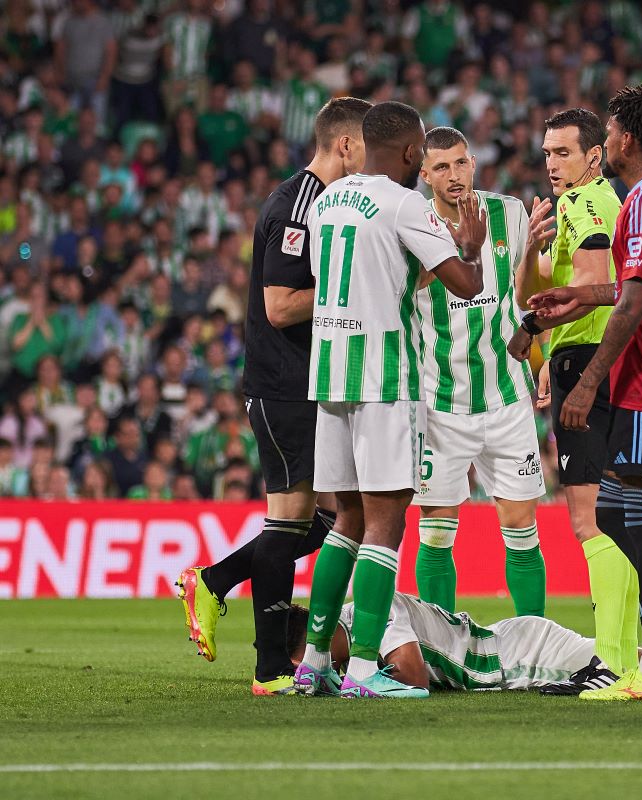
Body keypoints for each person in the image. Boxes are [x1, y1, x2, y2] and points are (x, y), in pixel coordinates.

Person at [175, 97, 373, 696]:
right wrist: (348, 292)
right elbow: (280, 305)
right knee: (293, 523)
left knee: (331, 519)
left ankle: (213, 581)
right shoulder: (299, 205)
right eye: (366, 148)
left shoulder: (322, 203)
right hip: (284, 384)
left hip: (304, 383)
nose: (371, 161)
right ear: (343, 145)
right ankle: (270, 670)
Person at [293, 101, 485, 701]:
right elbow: (467, 285)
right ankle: (365, 670)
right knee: (383, 524)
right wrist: (471, 244)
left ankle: (315, 663)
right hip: (384, 379)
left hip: (329, 378)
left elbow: (367, 276)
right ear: (410, 154)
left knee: (344, 521)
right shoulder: (408, 204)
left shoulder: (327, 201)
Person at [528, 86, 642, 701]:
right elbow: (631, 287)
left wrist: (591, 379)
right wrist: (576, 298)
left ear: (624, 139)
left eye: (610, 128)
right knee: (610, 513)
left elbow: (637, 300)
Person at [506, 108, 638, 675]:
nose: (552, 164)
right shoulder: (584, 206)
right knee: (617, 516)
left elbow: (585, 285)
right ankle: (638, 651)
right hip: (594, 358)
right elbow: (532, 290)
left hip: (586, 364)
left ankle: (610, 658)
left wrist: (534, 331)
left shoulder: (585, 203)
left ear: (593, 156)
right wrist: (534, 250)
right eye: (546, 153)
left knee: (589, 519)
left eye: (563, 153)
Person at [412, 126, 553, 618]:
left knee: (521, 528)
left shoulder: (509, 213)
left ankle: (533, 641)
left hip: (507, 396)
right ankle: (439, 646)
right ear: (425, 174)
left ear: (473, 163)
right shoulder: (412, 224)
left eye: (461, 163)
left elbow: (527, 295)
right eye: (442, 167)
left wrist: (543, 356)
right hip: (438, 403)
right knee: (435, 531)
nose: (455, 175)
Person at [284, 593, 642, 697]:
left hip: (529, 659)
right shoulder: (364, 612)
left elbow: (409, 676)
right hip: (517, 647)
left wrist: (342, 686)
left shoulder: (372, 615)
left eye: (304, 656)